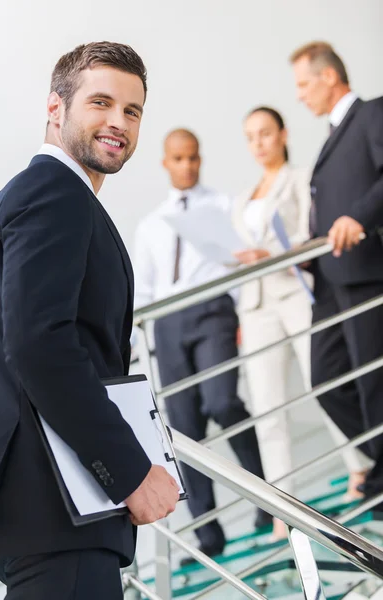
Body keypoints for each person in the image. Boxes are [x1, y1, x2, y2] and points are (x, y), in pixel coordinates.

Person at [0, 41, 180, 600]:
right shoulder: (53, 192)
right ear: (55, 107)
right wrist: (130, 471)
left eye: (132, 110)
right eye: (101, 103)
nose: (118, 121)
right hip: (56, 503)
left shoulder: (45, 196)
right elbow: (39, 346)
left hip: (46, 506)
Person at [133, 128, 270, 564]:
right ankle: (207, 536)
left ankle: (267, 498)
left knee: (223, 402)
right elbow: (145, 293)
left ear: (200, 158)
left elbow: (249, 253)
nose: (187, 166)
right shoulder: (151, 224)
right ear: (165, 163)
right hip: (169, 324)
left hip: (214, 312)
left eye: (193, 158)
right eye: (178, 159)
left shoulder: (224, 206)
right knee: (184, 429)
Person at [232, 106, 369, 540]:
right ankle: (281, 507)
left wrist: (274, 256)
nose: (258, 143)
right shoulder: (242, 197)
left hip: (294, 294)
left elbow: (314, 234)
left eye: (265, 133)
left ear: (282, 134)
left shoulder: (302, 178)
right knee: (268, 409)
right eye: (250, 136)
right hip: (255, 306)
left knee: (322, 385)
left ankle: (361, 466)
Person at [289, 41, 383, 504]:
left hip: (365, 271)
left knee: (373, 380)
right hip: (328, 277)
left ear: (329, 77)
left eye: (304, 84)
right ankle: (381, 460)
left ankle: (381, 476)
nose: (300, 95)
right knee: (325, 381)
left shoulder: (372, 114)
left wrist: (359, 218)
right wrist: (309, 247)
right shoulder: (329, 136)